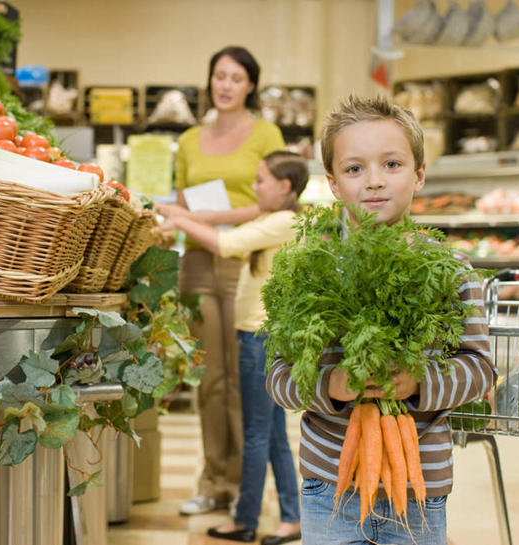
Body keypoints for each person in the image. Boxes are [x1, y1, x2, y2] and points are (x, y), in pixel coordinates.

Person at [264, 95, 497, 545]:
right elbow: (277, 376)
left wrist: (418, 382)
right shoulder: (311, 271)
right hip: (328, 486)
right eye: (354, 169)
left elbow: (480, 367)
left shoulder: (450, 270)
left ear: (419, 174)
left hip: (419, 486)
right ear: (333, 183)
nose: (374, 181)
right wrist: (330, 385)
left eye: (392, 164)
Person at [158, 150, 307, 544]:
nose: (254, 187)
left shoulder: (283, 222)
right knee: (273, 435)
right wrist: (184, 214)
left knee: (256, 433)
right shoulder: (274, 219)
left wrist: (179, 219)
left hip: (260, 339)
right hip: (261, 336)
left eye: (260, 180)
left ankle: (245, 520)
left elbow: (225, 244)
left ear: (284, 186)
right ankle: (291, 517)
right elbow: (223, 227)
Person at [170, 45, 286, 517]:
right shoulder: (189, 140)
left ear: (250, 85)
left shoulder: (266, 133)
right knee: (210, 379)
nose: (226, 85)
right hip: (199, 261)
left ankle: (245, 486)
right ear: (209, 80)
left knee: (243, 378)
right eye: (220, 75)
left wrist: (214, 218)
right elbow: (181, 204)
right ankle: (213, 481)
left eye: (236, 78)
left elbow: (271, 203)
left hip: (247, 263)